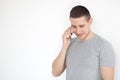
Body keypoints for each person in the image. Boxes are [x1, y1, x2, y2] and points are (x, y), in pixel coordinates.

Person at [52, 5, 115, 80]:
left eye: (81, 26)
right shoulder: (69, 43)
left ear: (90, 21)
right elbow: (55, 72)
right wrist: (64, 46)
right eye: (74, 26)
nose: (78, 31)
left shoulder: (104, 46)